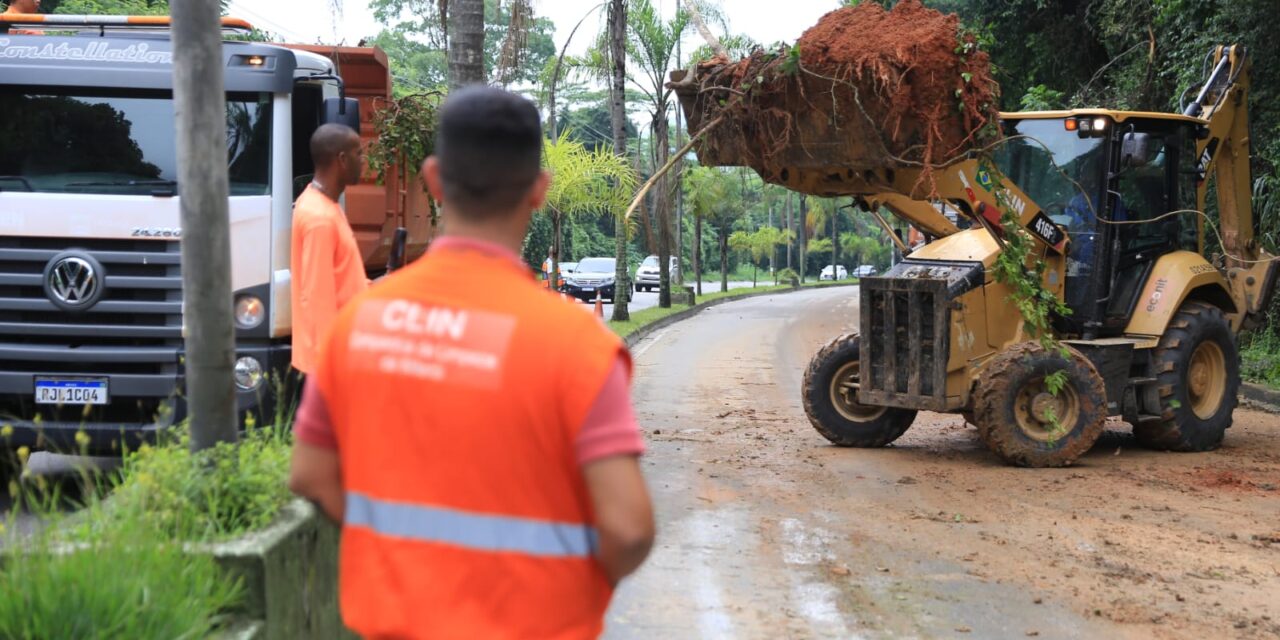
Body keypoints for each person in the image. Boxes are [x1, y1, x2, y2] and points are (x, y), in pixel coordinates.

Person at [288, 86, 655, 639]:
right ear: (538, 191)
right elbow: (628, 529)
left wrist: (404, 562)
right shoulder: (577, 343)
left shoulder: (360, 322)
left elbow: (311, 475)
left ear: (434, 182)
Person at [289, 123, 370, 374]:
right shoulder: (319, 218)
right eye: (359, 153)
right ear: (342, 160)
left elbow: (338, 278)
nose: (363, 160)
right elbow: (316, 298)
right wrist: (329, 369)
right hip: (328, 364)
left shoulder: (321, 203)